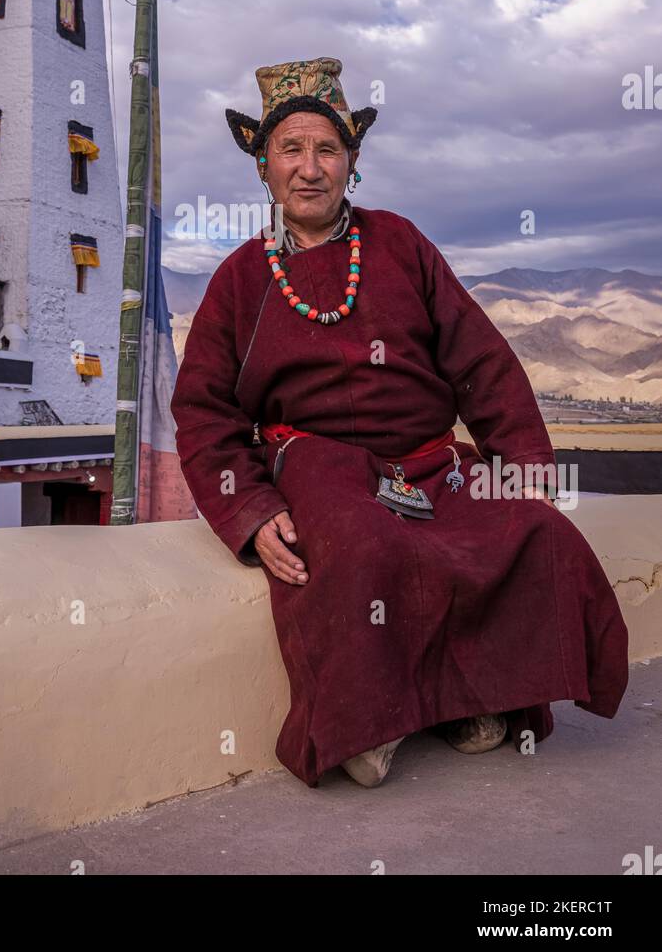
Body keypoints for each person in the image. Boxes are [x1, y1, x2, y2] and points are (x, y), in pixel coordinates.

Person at [170, 56, 629, 789]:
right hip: (319, 466)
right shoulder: (238, 281)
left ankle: (481, 702)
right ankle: (368, 721)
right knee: (361, 546)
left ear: (352, 163)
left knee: (531, 533)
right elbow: (202, 414)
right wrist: (251, 511)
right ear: (263, 166)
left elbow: (483, 362)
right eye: (291, 149)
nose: (310, 168)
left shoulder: (401, 245)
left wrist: (522, 469)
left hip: (432, 463)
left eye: (328, 149)